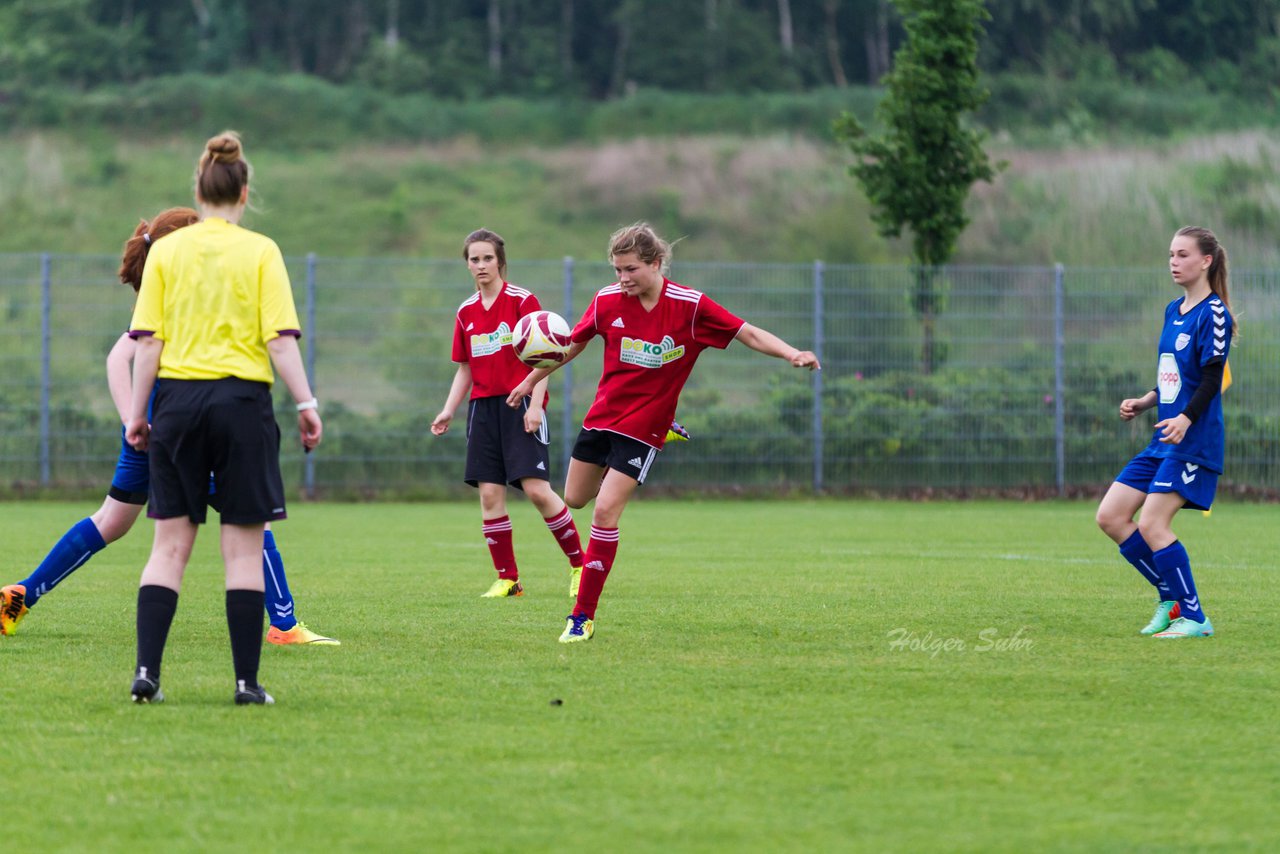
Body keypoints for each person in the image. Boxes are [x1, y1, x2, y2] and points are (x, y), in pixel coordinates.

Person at [0, 208, 338, 649]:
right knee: (254, 524)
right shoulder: (177, 298)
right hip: (185, 433)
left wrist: (132, 422)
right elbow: (121, 358)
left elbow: (118, 357)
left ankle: (22, 595)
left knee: (111, 520)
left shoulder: (168, 295)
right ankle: (284, 624)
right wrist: (138, 419)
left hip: (155, 431)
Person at [506, 222, 820, 643]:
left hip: (644, 426)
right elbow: (572, 344)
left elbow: (746, 332)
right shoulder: (606, 301)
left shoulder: (690, 307)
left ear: (656, 263)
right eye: (617, 269)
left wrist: (791, 353)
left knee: (605, 513)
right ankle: (663, 436)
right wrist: (530, 381)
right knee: (577, 499)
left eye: (631, 269)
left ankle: (581, 617)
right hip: (603, 416)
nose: (622, 278)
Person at [123, 131, 322, 705]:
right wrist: (306, 406)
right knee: (241, 549)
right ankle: (245, 685)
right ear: (243, 192)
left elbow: (147, 344)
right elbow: (280, 342)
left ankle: (146, 677)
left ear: (199, 188)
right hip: (242, 405)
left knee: (168, 548)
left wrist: (138, 415)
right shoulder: (260, 250)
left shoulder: (165, 252)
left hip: (178, 405)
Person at [1095, 226, 1234, 639]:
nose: (1174, 262)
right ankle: (1170, 599)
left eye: (1183, 255)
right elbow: (1176, 378)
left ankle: (1195, 618)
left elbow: (1211, 379)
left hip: (1193, 440)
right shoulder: (1173, 310)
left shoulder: (1214, 314)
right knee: (1112, 516)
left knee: (1154, 525)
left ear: (1206, 260)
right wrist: (1145, 400)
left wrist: (1186, 419)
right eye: (1171, 255)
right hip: (1163, 439)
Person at [431, 229, 586, 598]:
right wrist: (448, 409)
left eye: (487, 258)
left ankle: (581, 565)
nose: (481, 265)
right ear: (467, 264)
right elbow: (466, 367)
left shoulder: (521, 301)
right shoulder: (466, 311)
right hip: (482, 410)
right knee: (489, 495)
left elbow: (546, 356)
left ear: (500, 261)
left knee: (536, 491)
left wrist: (535, 404)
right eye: (474, 259)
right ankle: (508, 579)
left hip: (520, 405)